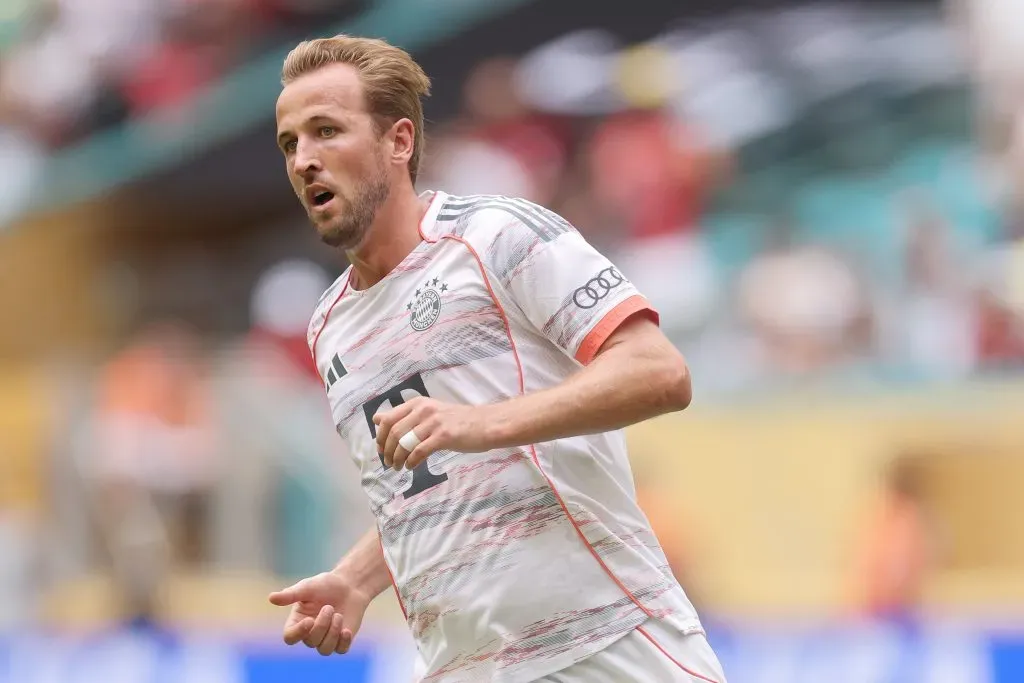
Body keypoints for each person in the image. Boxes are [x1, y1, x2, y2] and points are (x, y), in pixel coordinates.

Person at [268, 35, 726, 683]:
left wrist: (479, 423)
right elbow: (426, 492)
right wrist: (356, 579)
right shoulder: (328, 327)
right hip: (464, 667)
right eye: (290, 143)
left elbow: (660, 371)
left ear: (399, 141)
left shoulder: (496, 237)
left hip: (606, 646)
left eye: (326, 131)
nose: (304, 160)